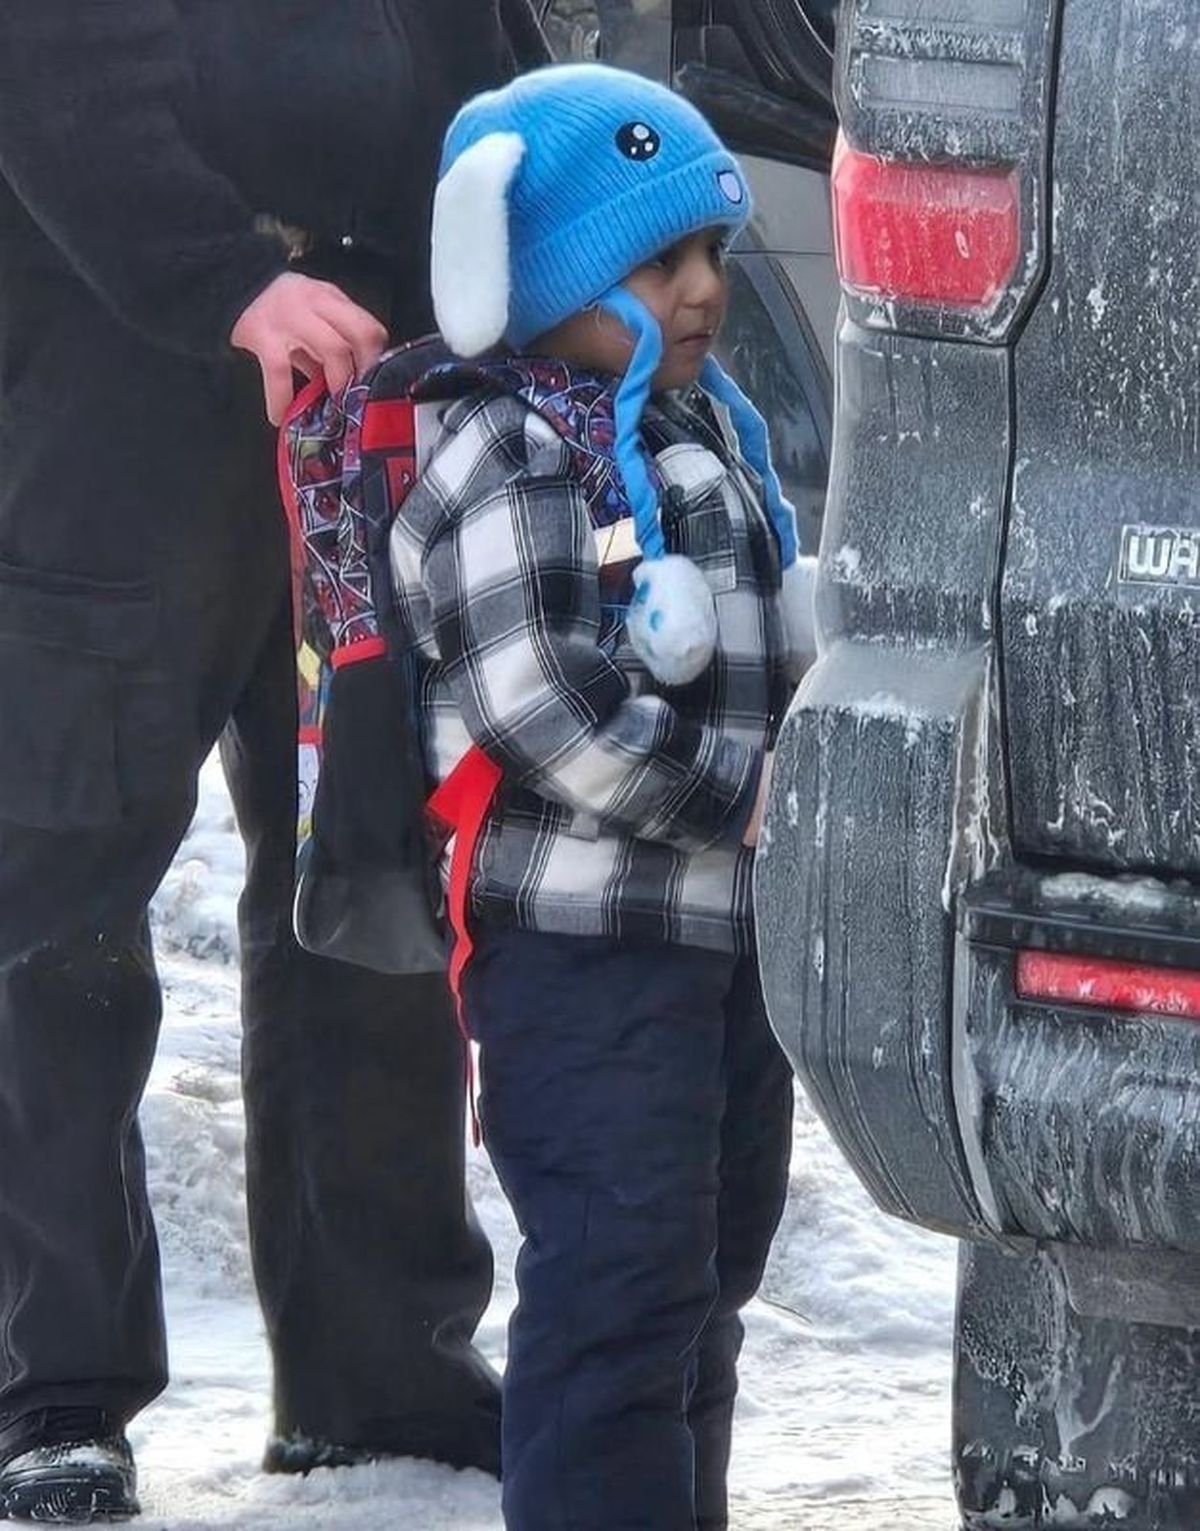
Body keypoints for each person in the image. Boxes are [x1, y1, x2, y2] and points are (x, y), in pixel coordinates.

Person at [0, 4, 522, 1521]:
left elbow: (473, 68)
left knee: (368, 872)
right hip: (111, 405)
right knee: (59, 895)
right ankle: (54, 1391)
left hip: (371, 393)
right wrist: (226, 281)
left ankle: (379, 1374)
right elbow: (48, 57)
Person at [391, 64, 803, 1529]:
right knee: (616, 1294)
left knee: (701, 1292)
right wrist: (740, 797)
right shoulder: (508, 446)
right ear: (537, 265)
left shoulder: (706, 435)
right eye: (658, 261)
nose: (701, 291)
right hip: (582, 954)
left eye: (709, 257)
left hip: (717, 952)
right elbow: (544, 706)